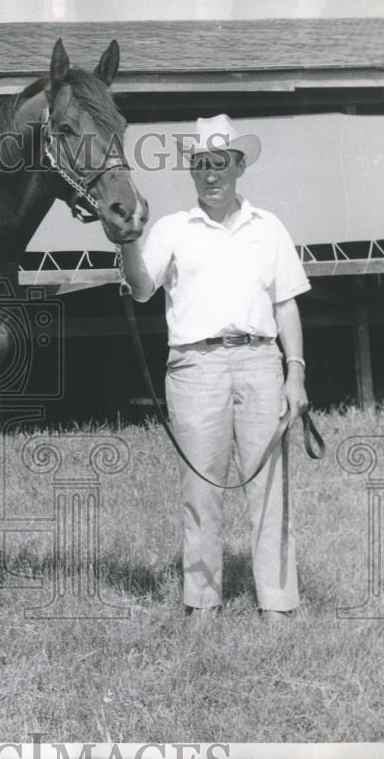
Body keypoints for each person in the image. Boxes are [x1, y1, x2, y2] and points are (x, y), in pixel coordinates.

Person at [121, 114, 311, 626]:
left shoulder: (269, 227)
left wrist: (295, 372)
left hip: (260, 362)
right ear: (191, 171)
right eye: (200, 165)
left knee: (269, 486)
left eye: (220, 163)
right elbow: (141, 288)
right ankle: (202, 602)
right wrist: (125, 243)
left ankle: (277, 602)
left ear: (239, 167)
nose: (211, 175)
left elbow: (287, 305)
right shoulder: (172, 229)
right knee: (200, 489)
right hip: (195, 366)